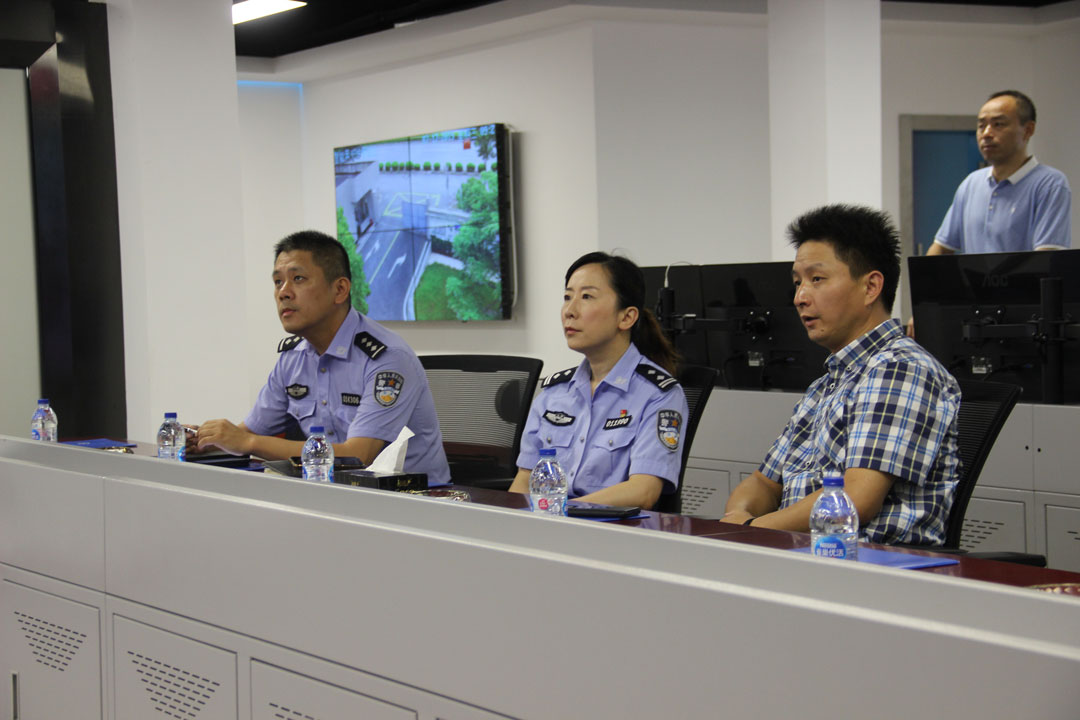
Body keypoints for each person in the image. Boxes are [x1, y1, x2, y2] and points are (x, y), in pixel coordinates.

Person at [723, 205, 961, 545]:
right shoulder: (826, 383)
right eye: (797, 282)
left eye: (816, 279)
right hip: (806, 554)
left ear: (871, 287)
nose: (800, 297)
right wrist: (739, 518)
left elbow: (854, 499)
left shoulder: (899, 368)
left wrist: (751, 530)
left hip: (873, 563)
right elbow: (763, 483)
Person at [195, 230, 451, 486]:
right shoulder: (292, 358)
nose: (283, 292)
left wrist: (248, 442)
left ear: (339, 290)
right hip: (331, 493)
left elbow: (358, 455)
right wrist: (203, 439)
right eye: (278, 282)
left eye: (298, 278)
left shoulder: (387, 358)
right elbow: (248, 433)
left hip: (411, 499)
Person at [509, 252, 689, 510]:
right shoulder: (553, 393)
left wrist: (561, 512)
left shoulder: (659, 394)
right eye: (567, 297)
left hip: (610, 528)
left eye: (586, 297)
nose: (569, 311)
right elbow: (524, 480)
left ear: (626, 317)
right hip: (550, 522)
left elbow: (644, 491)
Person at [929, 90, 1071, 255]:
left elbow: (1047, 257)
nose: (986, 133)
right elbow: (941, 248)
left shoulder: (1049, 184)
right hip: (971, 275)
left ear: (1028, 130)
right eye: (981, 126)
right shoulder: (971, 184)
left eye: (998, 124)